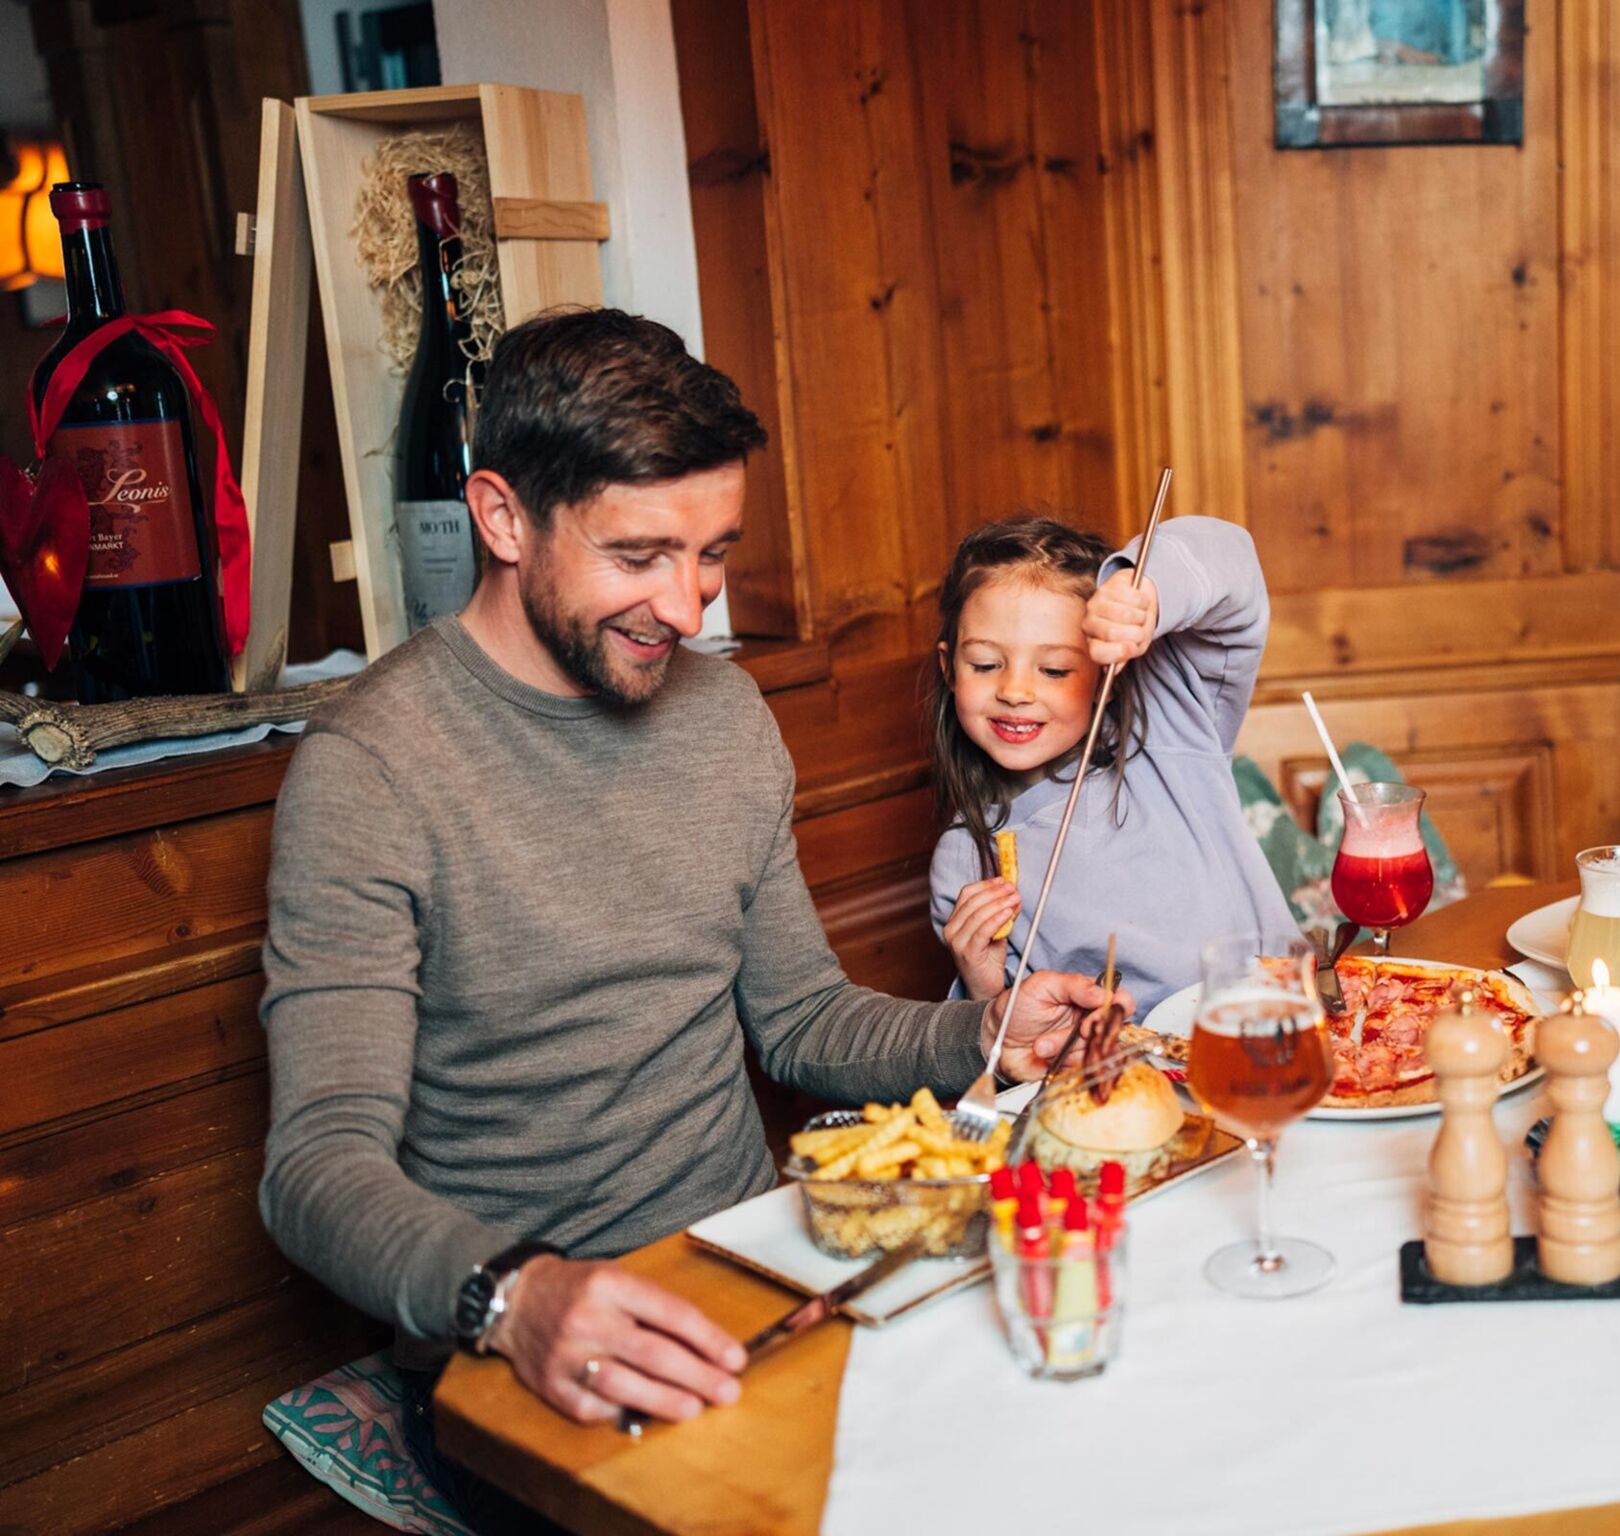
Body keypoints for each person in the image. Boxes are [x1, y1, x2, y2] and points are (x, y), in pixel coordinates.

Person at [257, 310, 1121, 1533]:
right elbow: (315, 1170)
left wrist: (985, 1032)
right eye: (641, 554)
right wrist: (515, 1299)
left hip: (764, 1274)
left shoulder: (719, 714)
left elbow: (800, 1018)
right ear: (503, 518)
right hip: (525, 1349)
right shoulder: (370, 771)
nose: (689, 604)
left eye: (714, 552)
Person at [926, 514, 1302, 1013]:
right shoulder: (965, 860)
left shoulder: (1173, 726)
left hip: (1284, 1033)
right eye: (986, 665)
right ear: (949, 667)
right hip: (1133, 1082)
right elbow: (1024, 1051)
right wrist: (983, 987)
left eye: (1055, 669)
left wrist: (1145, 587)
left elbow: (1234, 561)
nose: (1015, 691)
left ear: (1110, 672)